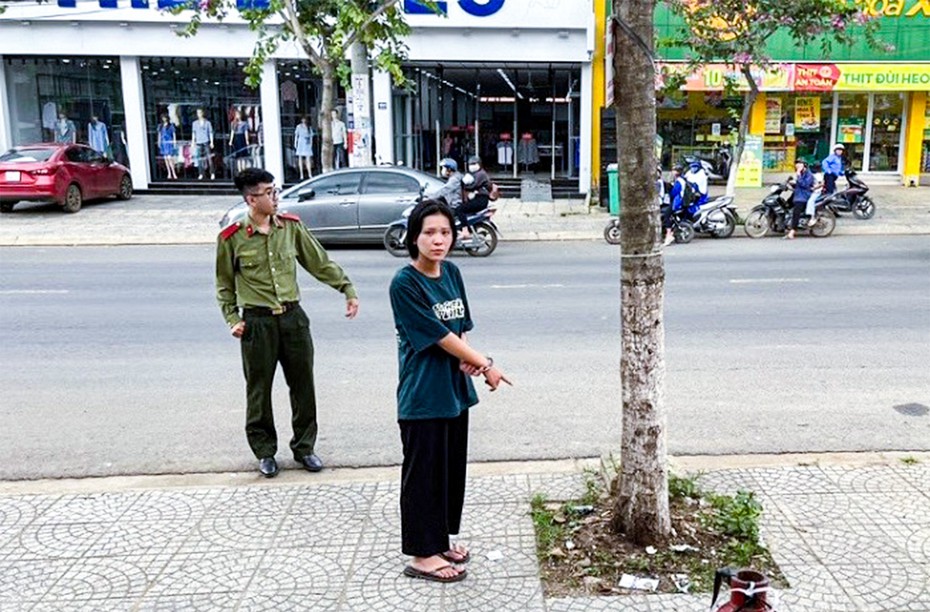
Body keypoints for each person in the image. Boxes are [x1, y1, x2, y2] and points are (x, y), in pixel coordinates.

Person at [388, 199, 511, 584]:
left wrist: (469, 360)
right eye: (429, 233)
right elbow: (438, 336)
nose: (438, 240)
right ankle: (422, 555)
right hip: (423, 395)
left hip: (454, 391)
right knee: (422, 475)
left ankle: (438, 540)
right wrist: (486, 364)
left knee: (447, 473)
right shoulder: (405, 283)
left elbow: (458, 329)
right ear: (414, 237)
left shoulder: (453, 272)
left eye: (445, 232)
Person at [215, 168, 360, 477]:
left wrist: (346, 288)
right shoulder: (232, 238)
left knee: (303, 386)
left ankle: (304, 447)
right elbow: (224, 284)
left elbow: (318, 262)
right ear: (251, 199)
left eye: (275, 190)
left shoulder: (291, 227)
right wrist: (232, 318)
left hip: (293, 319)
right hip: (257, 323)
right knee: (258, 391)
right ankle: (265, 451)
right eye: (269, 192)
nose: (275, 197)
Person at [458, 155, 491, 239]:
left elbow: (472, 186)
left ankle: (465, 230)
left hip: (481, 199)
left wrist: (463, 183)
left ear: (479, 164)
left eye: (474, 164)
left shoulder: (481, 174)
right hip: (478, 199)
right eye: (470, 164)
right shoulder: (476, 174)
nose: (471, 166)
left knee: (460, 209)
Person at [786, 159, 815, 240]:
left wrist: (798, 175)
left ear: (804, 165)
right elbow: (798, 184)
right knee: (787, 204)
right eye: (797, 164)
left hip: (803, 196)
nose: (797, 166)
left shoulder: (809, 174)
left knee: (796, 212)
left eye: (800, 164)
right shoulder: (801, 173)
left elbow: (805, 184)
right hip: (798, 194)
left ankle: (792, 231)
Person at [663, 165, 688, 246]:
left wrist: (670, 189)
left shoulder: (679, 181)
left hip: (677, 203)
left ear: (678, 172)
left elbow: (674, 193)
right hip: (677, 201)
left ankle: (668, 234)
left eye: (674, 170)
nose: (672, 172)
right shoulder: (680, 180)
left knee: (667, 214)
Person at [192, 108, 215, 180]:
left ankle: (212, 173)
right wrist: (193, 142)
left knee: (209, 158)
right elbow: (194, 133)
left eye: (200, 113)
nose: (199, 114)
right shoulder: (195, 123)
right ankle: (201, 173)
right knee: (199, 159)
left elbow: (210, 132)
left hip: (206, 141)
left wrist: (212, 142)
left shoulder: (207, 123)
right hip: (198, 142)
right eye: (197, 113)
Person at [229, 109, 251, 174]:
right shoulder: (233, 123)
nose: (238, 116)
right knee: (238, 156)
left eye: (239, 115)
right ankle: (239, 169)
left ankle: (244, 169)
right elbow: (232, 132)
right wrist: (231, 140)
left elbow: (246, 132)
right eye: (237, 115)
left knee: (243, 155)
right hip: (236, 138)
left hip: (242, 138)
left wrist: (247, 140)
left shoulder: (244, 123)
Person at [157, 114, 178, 180]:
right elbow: (159, 135)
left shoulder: (171, 126)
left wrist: (174, 142)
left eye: (165, 117)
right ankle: (169, 172)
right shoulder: (160, 126)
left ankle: (173, 172)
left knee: (170, 158)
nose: (164, 119)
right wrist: (159, 142)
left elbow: (174, 134)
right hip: (163, 143)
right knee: (166, 159)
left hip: (169, 143)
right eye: (163, 118)